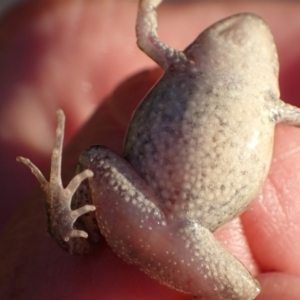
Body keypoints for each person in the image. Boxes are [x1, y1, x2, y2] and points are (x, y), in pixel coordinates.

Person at [1, 1, 300, 299]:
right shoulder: (269, 105)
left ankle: (72, 233)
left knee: (95, 160)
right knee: (245, 292)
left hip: (162, 220)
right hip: (178, 230)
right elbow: (145, 37)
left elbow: (145, 36)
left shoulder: (186, 65)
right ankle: (71, 233)